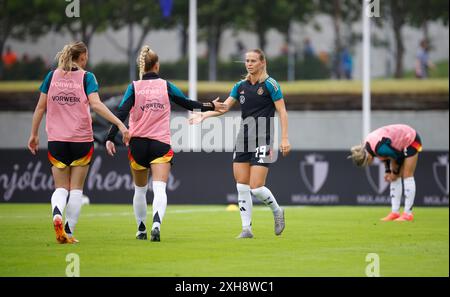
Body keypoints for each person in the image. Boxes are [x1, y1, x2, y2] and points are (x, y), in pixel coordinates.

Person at [105, 45, 222, 242]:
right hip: (160, 143)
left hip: (138, 144)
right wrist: (210, 105)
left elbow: (121, 113)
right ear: (157, 66)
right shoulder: (165, 85)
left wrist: (110, 137)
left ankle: (141, 228)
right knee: (159, 188)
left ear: (143, 67)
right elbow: (186, 103)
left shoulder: (134, 87)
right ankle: (156, 224)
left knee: (140, 190)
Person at [27, 41, 130, 244]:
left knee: (60, 188)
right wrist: (120, 123)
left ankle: (57, 213)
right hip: (81, 140)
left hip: (57, 140)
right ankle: (69, 231)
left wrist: (34, 134)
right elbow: (97, 105)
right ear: (81, 57)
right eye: (86, 56)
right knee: (76, 189)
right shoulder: (87, 77)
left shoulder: (52, 76)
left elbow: (40, 108)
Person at [189, 49, 290, 239]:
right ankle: (246, 229)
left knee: (257, 187)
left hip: (264, 138)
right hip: (243, 138)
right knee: (241, 186)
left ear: (262, 62)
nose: (249, 64)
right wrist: (204, 114)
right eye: (247, 61)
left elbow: (282, 112)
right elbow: (225, 107)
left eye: (253, 60)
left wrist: (284, 138)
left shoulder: (271, 84)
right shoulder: (240, 86)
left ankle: (277, 211)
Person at [348, 124, 422, 222]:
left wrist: (394, 172)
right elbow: (385, 156)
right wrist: (388, 171)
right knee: (394, 177)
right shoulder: (369, 146)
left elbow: (398, 156)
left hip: (411, 139)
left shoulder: (379, 147)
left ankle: (408, 214)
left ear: (368, 158)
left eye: (366, 164)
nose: (368, 165)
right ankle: (395, 213)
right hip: (400, 144)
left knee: (407, 175)